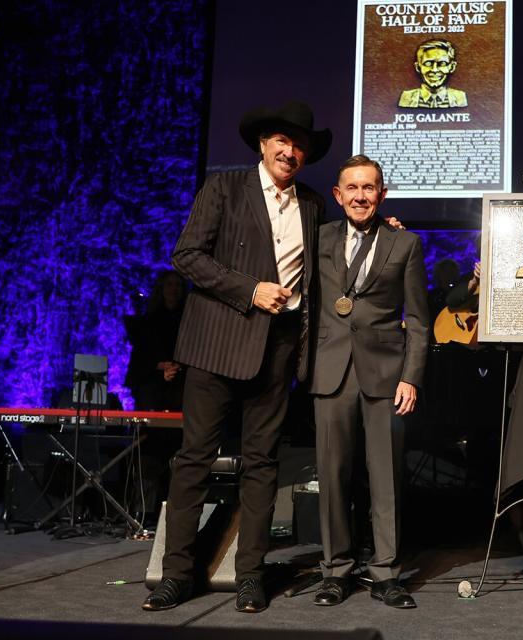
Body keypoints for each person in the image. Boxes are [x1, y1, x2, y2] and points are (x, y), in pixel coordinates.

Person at [141, 101, 331, 614]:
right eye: (282, 142)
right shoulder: (224, 188)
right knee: (194, 461)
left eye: (299, 146)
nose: (290, 152)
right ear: (263, 145)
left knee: (264, 466)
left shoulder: (313, 205)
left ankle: (250, 575)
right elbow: (187, 256)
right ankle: (178, 574)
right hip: (215, 347)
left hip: (277, 352)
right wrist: (250, 290)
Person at [309, 155, 428, 609]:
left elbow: (418, 319)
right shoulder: (316, 239)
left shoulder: (406, 243)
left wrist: (411, 377)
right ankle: (336, 571)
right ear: (338, 196)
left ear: (382, 193)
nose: (361, 196)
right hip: (330, 370)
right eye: (352, 188)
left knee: (386, 481)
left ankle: (385, 574)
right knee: (333, 478)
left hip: (385, 375)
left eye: (370, 187)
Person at [124, 270, 188, 412]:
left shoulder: (189, 321)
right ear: (162, 288)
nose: (174, 289)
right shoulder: (149, 321)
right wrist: (160, 366)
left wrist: (176, 367)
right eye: (170, 284)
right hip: (152, 377)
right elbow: (141, 356)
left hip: (180, 376)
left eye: (178, 285)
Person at [397, 40, 468, 108]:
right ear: (418, 67)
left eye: (442, 64)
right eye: (428, 63)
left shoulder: (460, 98)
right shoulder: (406, 98)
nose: (434, 70)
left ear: (452, 67)